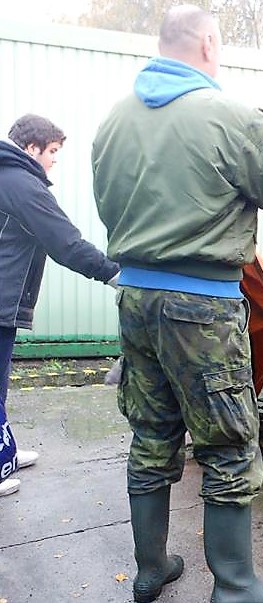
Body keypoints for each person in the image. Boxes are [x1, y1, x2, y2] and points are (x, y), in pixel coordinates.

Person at [91, 5, 263, 603]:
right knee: (227, 443)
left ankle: (152, 568)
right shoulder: (228, 115)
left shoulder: (112, 120)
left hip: (136, 299)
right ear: (207, 43)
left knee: (150, 433)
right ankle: (236, 585)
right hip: (202, 306)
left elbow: (107, 204)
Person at [0, 114, 120, 499]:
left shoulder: (8, 176)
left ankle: (6, 452)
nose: (54, 160)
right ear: (32, 148)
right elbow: (65, 243)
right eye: (52, 151)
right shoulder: (20, 183)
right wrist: (113, 274)